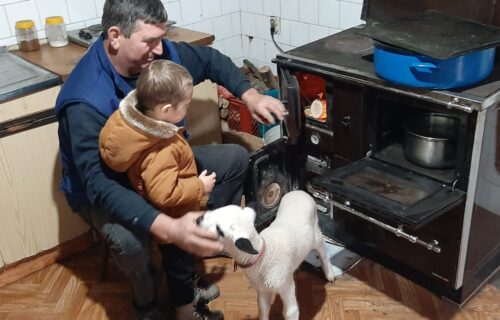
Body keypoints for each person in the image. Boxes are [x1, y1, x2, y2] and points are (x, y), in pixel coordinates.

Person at [54, 0, 286, 319]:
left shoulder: (161, 56)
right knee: (129, 241)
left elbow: (211, 60)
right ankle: (146, 303)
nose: (160, 48)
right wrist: (168, 226)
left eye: (161, 38)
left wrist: (249, 94)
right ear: (115, 36)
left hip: (162, 163)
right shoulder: (84, 98)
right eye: (149, 40)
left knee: (234, 158)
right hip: (107, 185)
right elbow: (97, 183)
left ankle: (186, 261)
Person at [99, 59, 217, 221]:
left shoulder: (126, 122)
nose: (187, 109)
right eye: (186, 106)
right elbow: (165, 194)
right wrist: (200, 186)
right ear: (166, 110)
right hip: (177, 219)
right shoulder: (162, 148)